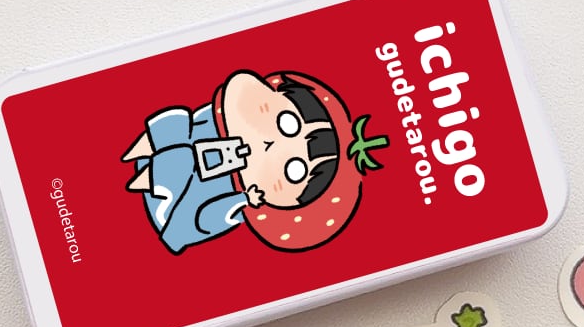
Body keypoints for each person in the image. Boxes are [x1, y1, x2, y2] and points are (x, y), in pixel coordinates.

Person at [122, 68, 389, 254]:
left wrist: (242, 199)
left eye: (295, 170)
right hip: (154, 159)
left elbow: (199, 221)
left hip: (169, 211)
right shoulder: (217, 120)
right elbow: (180, 126)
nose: (272, 144)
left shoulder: (240, 202)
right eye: (287, 122)